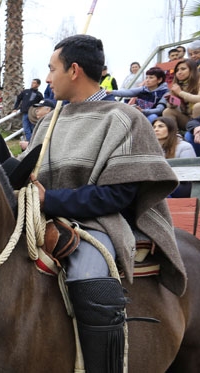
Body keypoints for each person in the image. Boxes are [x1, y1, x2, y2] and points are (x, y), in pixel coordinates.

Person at [23, 34, 184, 372]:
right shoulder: (46, 123)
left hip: (98, 225)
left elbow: (117, 196)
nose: (48, 78)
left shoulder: (125, 119)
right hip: (37, 217)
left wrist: (49, 199)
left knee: (87, 269)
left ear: (75, 70)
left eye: (52, 69)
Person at [162, 58, 200, 131]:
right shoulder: (177, 85)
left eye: (183, 69)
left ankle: (196, 132)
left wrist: (180, 93)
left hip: (198, 119)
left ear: (192, 70)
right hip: (187, 118)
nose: (179, 72)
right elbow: (172, 106)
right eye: (177, 70)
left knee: (198, 106)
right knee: (167, 111)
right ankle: (174, 137)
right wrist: (171, 102)